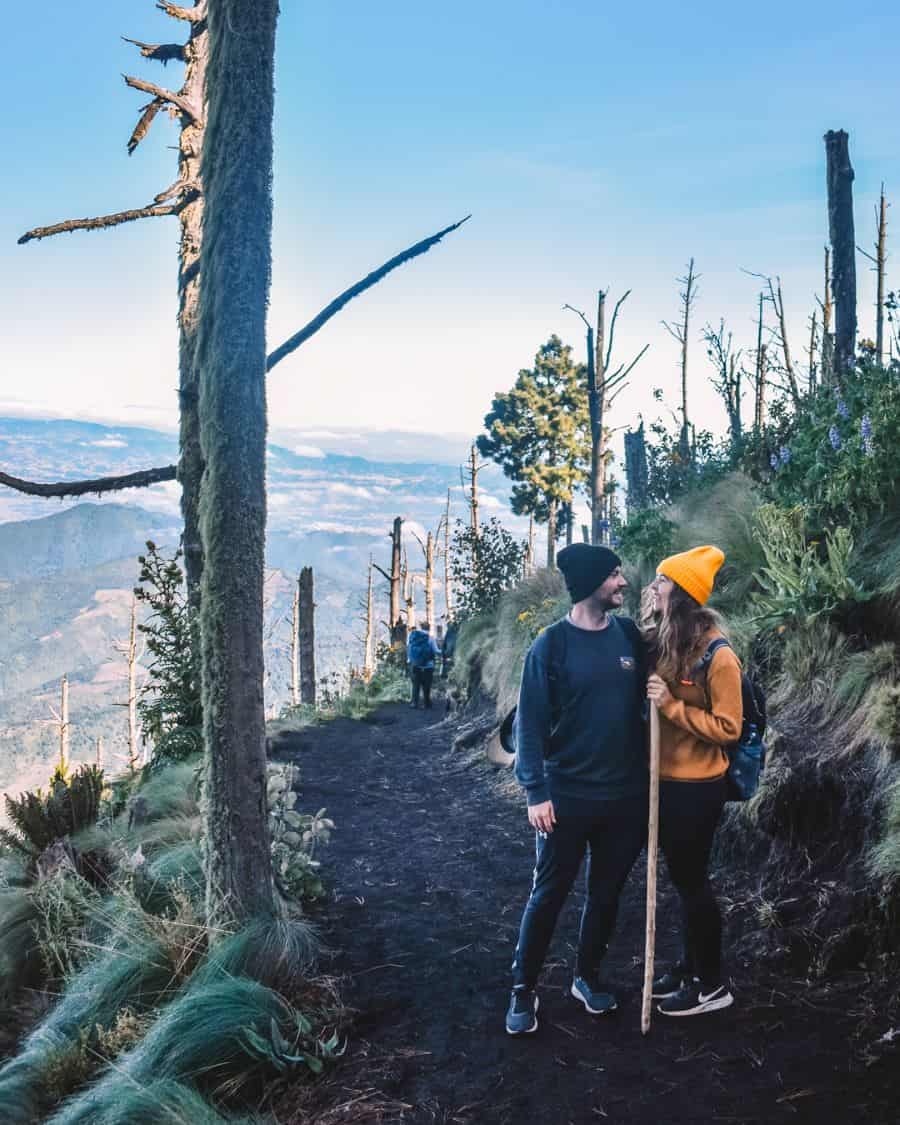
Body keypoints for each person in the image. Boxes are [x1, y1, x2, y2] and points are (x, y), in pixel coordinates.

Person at [506, 543, 648, 1036]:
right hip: (565, 797)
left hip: (625, 798)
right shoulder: (551, 645)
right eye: (614, 575)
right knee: (549, 895)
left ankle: (585, 978)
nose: (622, 583)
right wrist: (534, 792)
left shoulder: (629, 636)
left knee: (605, 895)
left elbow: (666, 673)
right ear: (591, 583)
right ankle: (523, 989)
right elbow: (529, 725)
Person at [643, 545, 742, 1017]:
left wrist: (672, 708)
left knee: (692, 881)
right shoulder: (668, 641)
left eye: (662, 582)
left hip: (700, 786)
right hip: (666, 781)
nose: (654, 587)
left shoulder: (719, 656)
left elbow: (728, 728)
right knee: (684, 881)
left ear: (681, 593)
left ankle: (711, 986)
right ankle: (689, 966)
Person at [407, 620, 440, 709]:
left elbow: (409, 648)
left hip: (415, 665)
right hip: (428, 665)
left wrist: (410, 660)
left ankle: (414, 703)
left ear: (421, 627)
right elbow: (436, 650)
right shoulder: (431, 638)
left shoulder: (413, 636)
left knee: (416, 685)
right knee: (427, 685)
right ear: (429, 628)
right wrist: (443, 652)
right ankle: (426, 703)